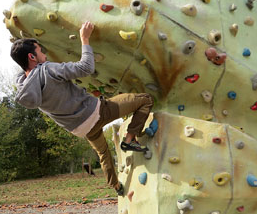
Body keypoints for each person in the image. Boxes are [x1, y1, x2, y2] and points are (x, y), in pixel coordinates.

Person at [10, 21, 154, 196]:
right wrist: (84, 38)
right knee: (144, 100)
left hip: (80, 128)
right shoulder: (47, 70)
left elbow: (24, 68)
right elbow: (86, 67)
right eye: (41, 51)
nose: (45, 54)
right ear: (32, 57)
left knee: (103, 154)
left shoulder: (25, 89)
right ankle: (130, 138)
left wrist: (22, 48)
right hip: (97, 113)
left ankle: (116, 186)